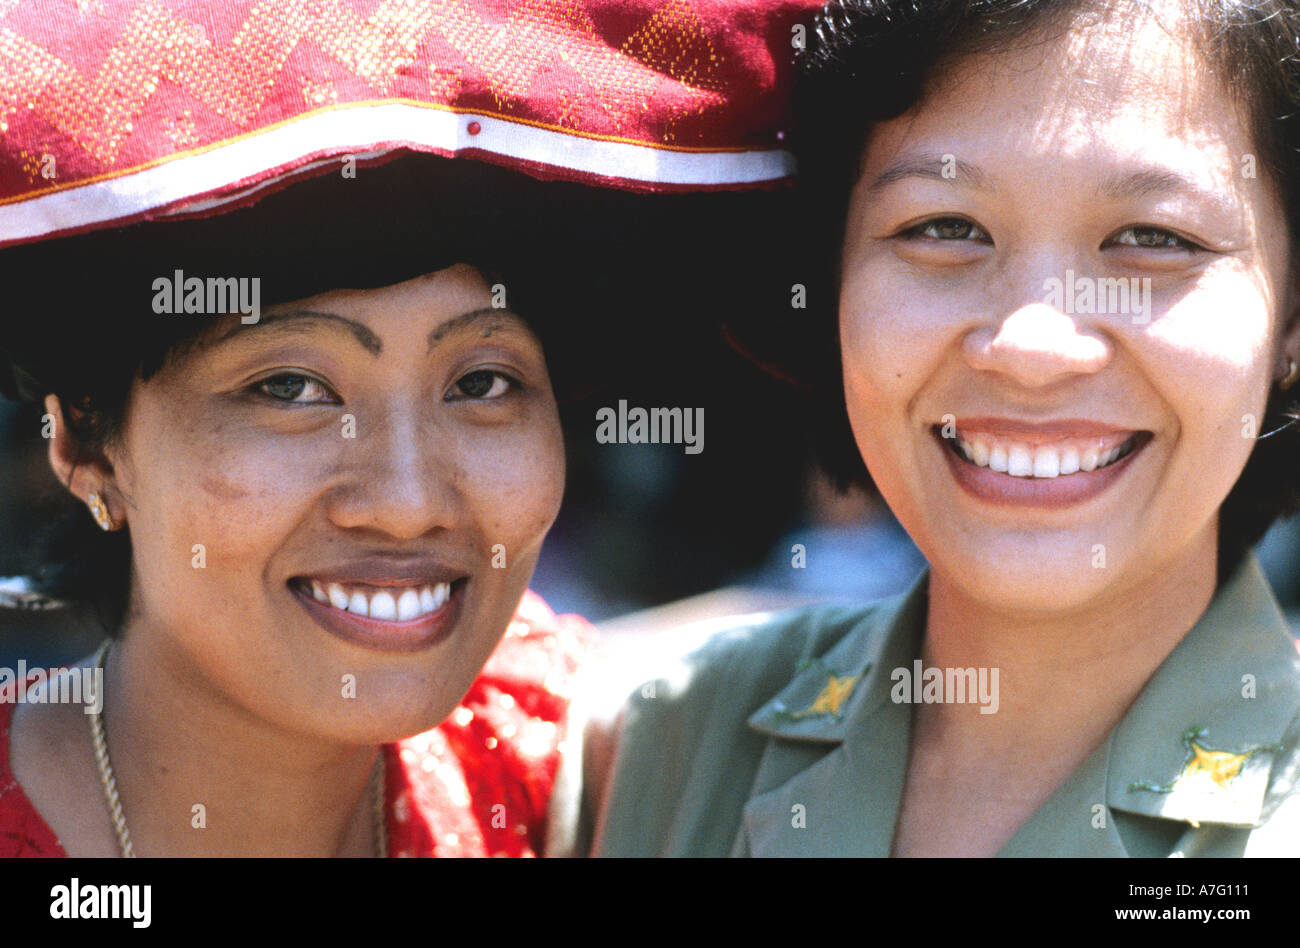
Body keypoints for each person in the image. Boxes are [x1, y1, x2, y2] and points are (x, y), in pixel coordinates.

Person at [0, 0, 814, 857]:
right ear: (88, 448)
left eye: (482, 382)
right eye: (290, 387)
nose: (406, 503)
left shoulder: (534, 760)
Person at [579, 0, 1300, 856]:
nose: (1032, 346)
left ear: (1291, 317)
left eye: (1152, 237)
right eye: (944, 227)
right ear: (832, 279)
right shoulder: (677, 734)